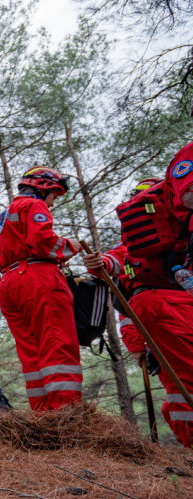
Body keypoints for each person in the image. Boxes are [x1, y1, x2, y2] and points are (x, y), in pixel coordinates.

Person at [85, 166, 193, 447]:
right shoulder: (177, 234)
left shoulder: (139, 245)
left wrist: (136, 346)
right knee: (184, 379)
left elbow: (118, 273)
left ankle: (189, 443)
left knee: (177, 383)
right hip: (174, 307)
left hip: (154, 311)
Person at [0, 167, 83, 412]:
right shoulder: (32, 205)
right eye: (54, 195)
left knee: (31, 352)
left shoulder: (2, 217)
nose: (52, 203)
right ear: (43, 187)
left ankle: (42, 415)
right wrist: (70, 246)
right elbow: (43, 241)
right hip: (37, 278)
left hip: (8, 281)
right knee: (57, 342)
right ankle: (66, 415)